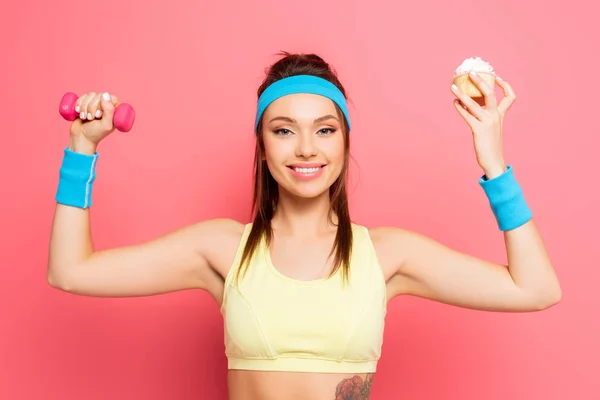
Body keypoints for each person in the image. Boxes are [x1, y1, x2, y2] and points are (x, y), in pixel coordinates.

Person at [47, 52, 561, 400]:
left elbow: (535, 289)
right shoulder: (222, 249)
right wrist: (81, 150)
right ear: (263, 145)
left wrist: (492, 160)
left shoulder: (387, 256)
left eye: (325, 129)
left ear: (344, 142)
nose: (307, 148)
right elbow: (71, 271)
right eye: (284, 130)